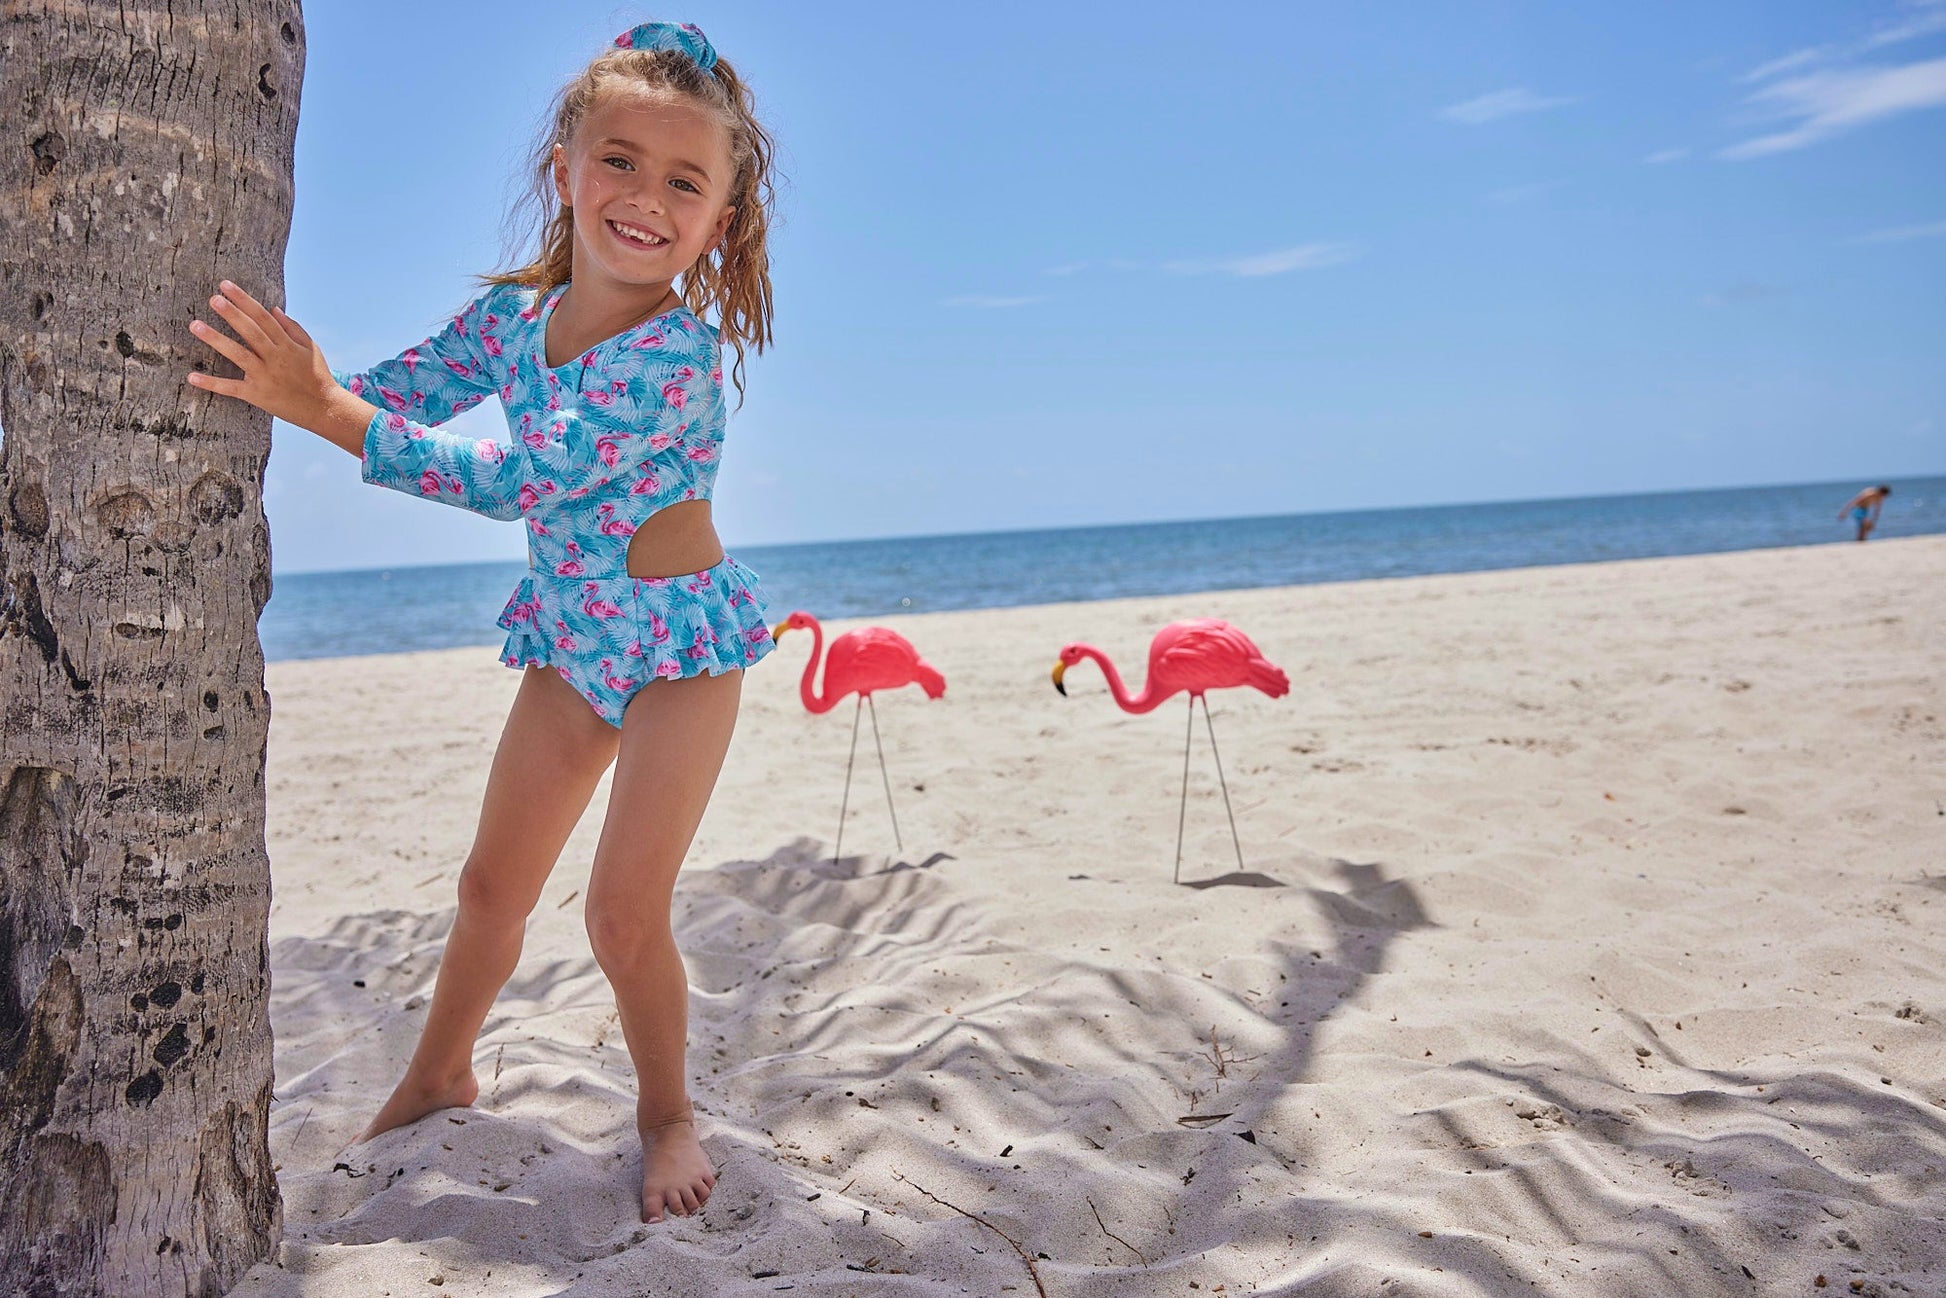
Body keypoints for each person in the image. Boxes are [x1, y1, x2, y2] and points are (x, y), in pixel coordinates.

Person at [185, 20, 780, 1223]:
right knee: (487, 886)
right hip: (569, 641)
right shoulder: (514, 321)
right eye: (619, 160)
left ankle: (665, 1109)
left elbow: (516, 478)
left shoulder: (673, 357)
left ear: (719, 219)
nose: (645, 198)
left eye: (684, 181)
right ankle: (437, 1068)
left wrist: (326, 415)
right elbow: (393, 393)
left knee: (620, 912)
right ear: (562, 166)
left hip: (676, 648)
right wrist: (295, 375)